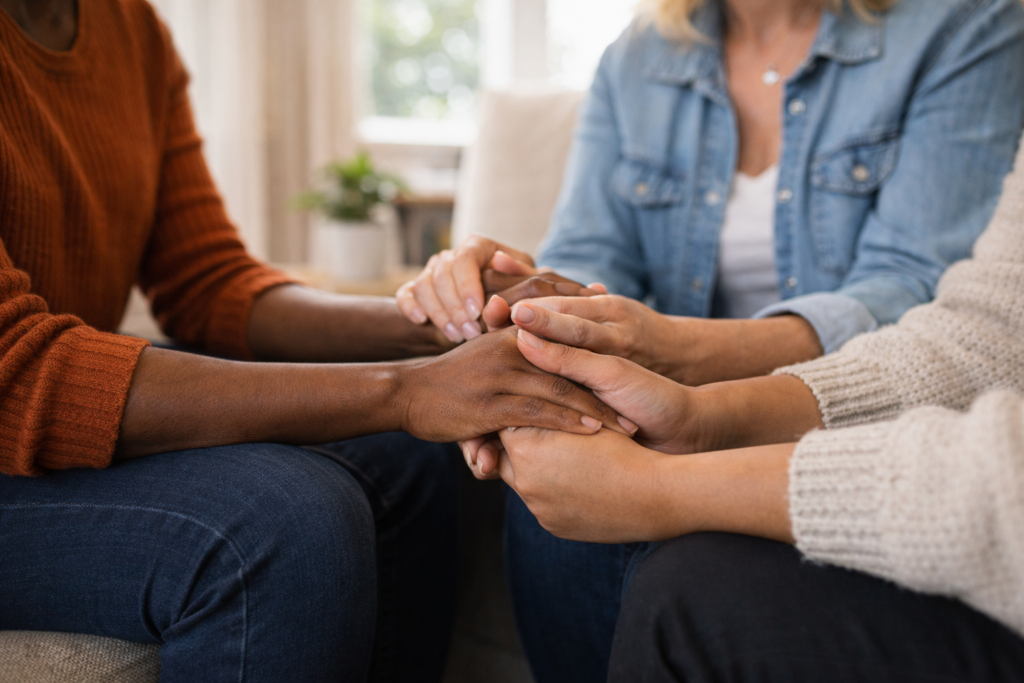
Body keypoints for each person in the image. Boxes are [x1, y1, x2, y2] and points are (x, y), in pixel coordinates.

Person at [0, 2, 631, 682]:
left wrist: (447, 323)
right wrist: (408, 388)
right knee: (283, 522)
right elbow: (23, 374)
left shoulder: (128, 26)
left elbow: (207, 283)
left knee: (407, 454)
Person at [417, 0, 1024, 678]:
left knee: (673, 566)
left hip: (846, 416)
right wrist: (529, 310)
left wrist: (675, 354)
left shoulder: (964, 24)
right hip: (663, 392)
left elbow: (912, 288)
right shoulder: (638, 56)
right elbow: (589, 257)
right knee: (556, 444)